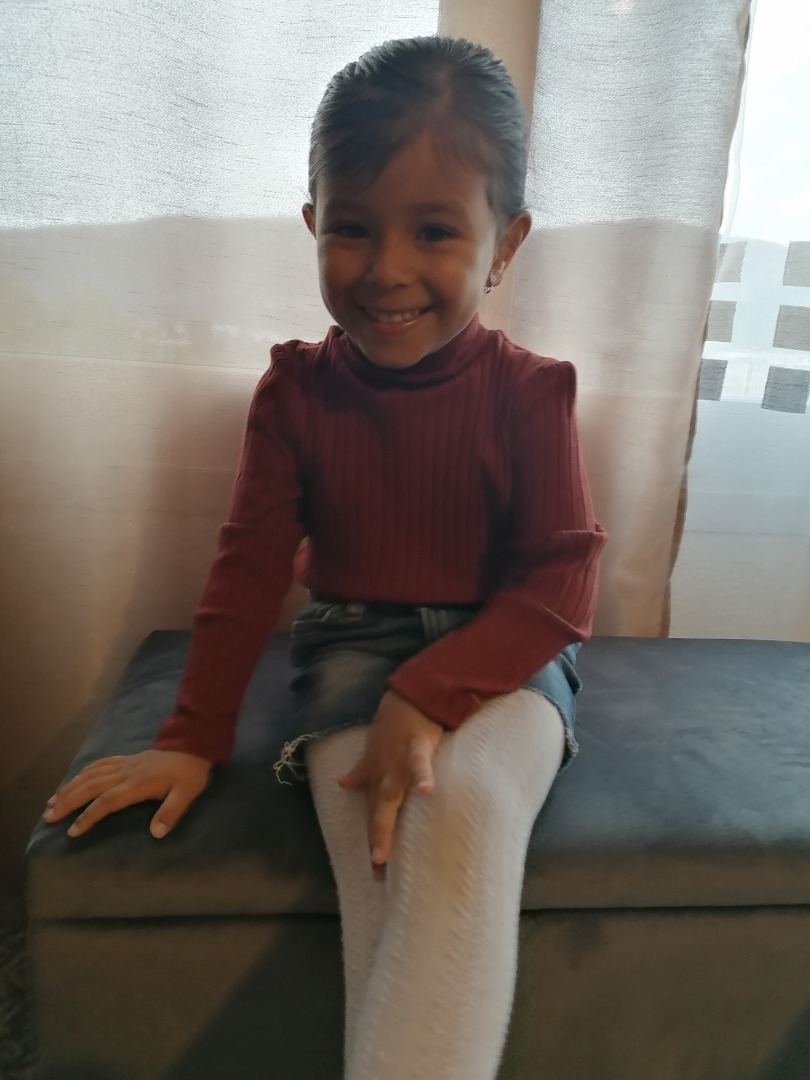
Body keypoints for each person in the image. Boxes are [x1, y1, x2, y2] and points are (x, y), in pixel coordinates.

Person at [44, 35, 606, 1080]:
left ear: (506, 242)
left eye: (433, 230)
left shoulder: (533, 392)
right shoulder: (295, 393)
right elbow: (246, 572)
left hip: (510, 653)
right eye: (351, 228)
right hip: (352, 649)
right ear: (312, 224)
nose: (385, 269)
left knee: (466, 807)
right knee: (384, 857)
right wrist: (193, 737)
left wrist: (427, 694)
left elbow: (561, 585)